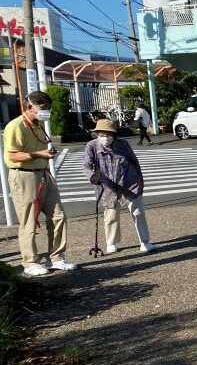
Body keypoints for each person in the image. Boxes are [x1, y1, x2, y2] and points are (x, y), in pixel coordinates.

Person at [2, 90, 75, 277]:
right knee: (28, 221)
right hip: (23, 176)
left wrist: (46, 158)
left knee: (58, 216)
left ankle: (57, 257)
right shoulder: (15, 126)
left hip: (43, 173)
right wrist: (38, 154)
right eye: (43, 108)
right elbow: (12, 156)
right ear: (30, 107)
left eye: (49, 108)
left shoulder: (39, 124)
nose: (46, 112)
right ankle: (30, 262)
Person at [82, 119, 156, 254]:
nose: (105, 137)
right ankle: (111, 243)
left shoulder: (123, 144)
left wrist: (140, 180)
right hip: (107, 187)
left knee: (138, 212)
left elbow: (134, 162)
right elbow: (87, 165)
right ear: (97, 133)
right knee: (111, 216)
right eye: (101, 134)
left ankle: (145, 242)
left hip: (130, 183)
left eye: (108, 134)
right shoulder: (91, 146)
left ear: (114, 134)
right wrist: (92, 177)